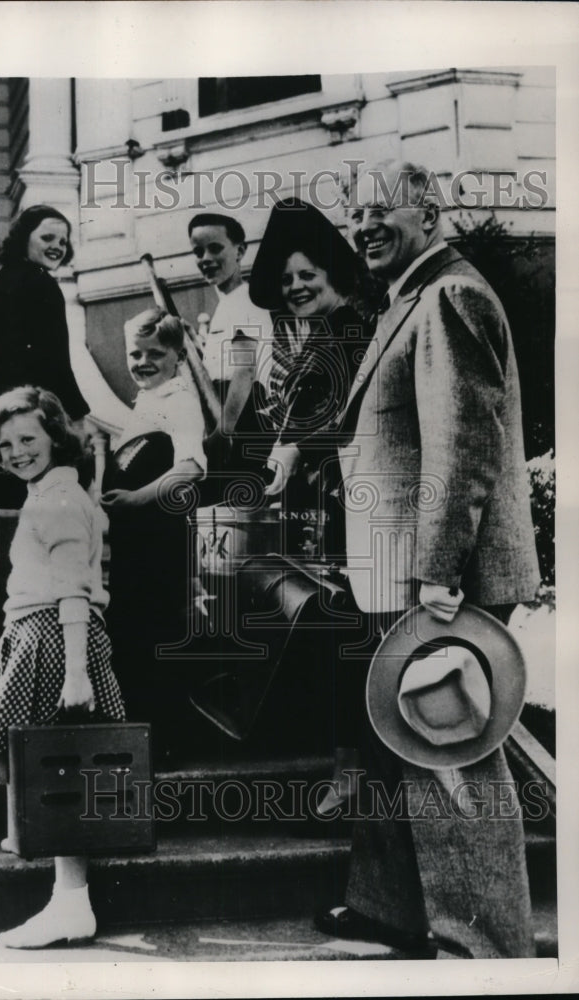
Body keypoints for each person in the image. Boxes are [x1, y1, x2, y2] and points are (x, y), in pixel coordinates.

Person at [315, 160, 541, 957]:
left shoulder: (448, 295)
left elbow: (463, 444)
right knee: (397, 741)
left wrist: (439, 571)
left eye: (380, 211)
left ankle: (482, 948)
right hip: (399, 570)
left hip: (434, 578)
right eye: (355, 216)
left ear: (428, 214)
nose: (363, 226)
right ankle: (389, 911)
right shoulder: (410, 298)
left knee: (450, 748)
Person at [0, 386, 125, 949]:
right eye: (6, 444)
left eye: (29, 438)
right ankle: (32, 819)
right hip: (32, 632)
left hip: (55, 634)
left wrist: (77, 672)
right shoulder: (49, 493)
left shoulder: (59, 499)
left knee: (60, 765)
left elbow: (74, 589)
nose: (18, 451)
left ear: (55, 437)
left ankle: (71, 902)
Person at [248, 197, 370, 806]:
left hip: (362, 509)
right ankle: (346, 768)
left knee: (353, 636)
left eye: (307, 275)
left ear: (333, 274)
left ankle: (351, 776)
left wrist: (295, 446)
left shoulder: (353, 327)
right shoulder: (315, 333)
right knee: (340, 631)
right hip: (329, 510)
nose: (296, 287)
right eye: (287, 278)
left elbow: (351, 418)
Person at [101, 308, 206, 755]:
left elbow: (190, 468)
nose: (142, 363)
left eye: (155, 354)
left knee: (154, 636)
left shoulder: (179, 401)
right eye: (135, 354)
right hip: (136, 544)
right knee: (134, 634)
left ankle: (165, 744)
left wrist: (133, 500)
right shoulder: (148, 400)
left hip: (159, 543)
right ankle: (144, 741)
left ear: (178, 355)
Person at [0, 205, 90, 508]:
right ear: (24, 239)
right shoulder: (43, 284)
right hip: (33, 419)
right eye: (48, 237)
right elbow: (56, 362)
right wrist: (77, 416)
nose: (57, 247)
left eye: (63, 242)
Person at [188, 212, 273, 498]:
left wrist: (222, 433)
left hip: (242, 420)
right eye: (198, 251)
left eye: (215, 248)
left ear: (240, 250)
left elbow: (244, 372)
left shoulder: (246, 300)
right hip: (229, 416)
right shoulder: (226, 304)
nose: (205, 258)